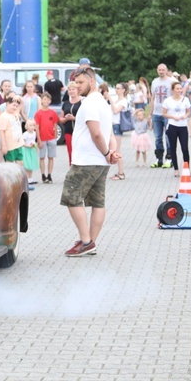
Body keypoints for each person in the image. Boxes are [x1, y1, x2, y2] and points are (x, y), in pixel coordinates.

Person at [60, 66, 120, 257]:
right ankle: (91, 243)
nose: (77, 86)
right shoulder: (103, 102)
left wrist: (107, 152)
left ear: (91, 81)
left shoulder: (90, 103)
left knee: (71, 196)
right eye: (75, 83)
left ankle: (86, 241)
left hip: (87, 161)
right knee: (97, 202)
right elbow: (108, 132)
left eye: (81, 83)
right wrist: (111, 152)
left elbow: (96, 133)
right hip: (99, 161)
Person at [163, 81, 191, 177]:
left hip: (183, 126)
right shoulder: (168, 100)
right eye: (177, 89)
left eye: (180, 88)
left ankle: (187, 169)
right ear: (173, 90)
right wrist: (172, 117)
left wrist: (185, 116)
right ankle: (176, 169)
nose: (179, 90)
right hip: (172, 125)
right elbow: (164, 113)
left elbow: (188, 111)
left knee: (185, 148)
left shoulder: (185, 99)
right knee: (173, 148)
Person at [150, 64, 174, 168]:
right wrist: (150, 113)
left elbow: (174, 97)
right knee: (157, 137)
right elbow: (152, 98)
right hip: (156, 113)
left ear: (166, 70)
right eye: (159, 70)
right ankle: (159, 158)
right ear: (157, 70)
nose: (161, 71)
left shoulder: (171, 82)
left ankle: (169, 158)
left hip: (167, 113)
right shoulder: (154, 82)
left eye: (163, 70)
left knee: (168, 136)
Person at [35, 91, 59, 183]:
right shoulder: (38, 113)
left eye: (47, 99)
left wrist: (55, 137)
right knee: (42, 157)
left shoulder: (52, 113)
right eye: (44, 99)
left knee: (51, 157)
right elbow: (37, 127)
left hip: (51, 138)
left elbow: (55, 125)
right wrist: (39, 139)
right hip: (42, 138)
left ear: (50, 101)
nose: (45, 101)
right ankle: (43, 175)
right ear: (41, 101)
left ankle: (49, 174)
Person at [0, 95, 25, 169]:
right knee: (10, 164)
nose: (15, 107)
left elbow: (22, 103)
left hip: (18, 144)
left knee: (20, 163)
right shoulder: (3, 116)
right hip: (10, 146)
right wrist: (4, 146)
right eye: (13, 105)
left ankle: (19, 179)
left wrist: (17, 97)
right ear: (7, 104)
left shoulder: (15, 113)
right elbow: (2, 132)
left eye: (16, 106)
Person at [109, 82, 129, 180]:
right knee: (112, 149)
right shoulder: (117, 100)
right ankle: (118, 172)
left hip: (117, 126)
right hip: (111, 126)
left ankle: (121, 173)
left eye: (118, 88)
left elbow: (116, 111)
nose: (116, 90)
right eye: (116, 88)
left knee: (117, 150)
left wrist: (110, 100)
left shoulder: (124, 101)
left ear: (123, 90)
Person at [60, 82, 81, 165]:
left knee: (79, 152)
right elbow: (60, 119)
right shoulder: (65, 103)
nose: (71, 91)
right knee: (70, 152)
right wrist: (66, 119)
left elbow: (85, 118)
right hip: (68, 131)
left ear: (77, 90)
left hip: (79, 132)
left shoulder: (82, 102)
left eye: (73, 89)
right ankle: (71, 168)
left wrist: (74, 118)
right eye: (70, 89)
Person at [21, 119, 39, 184]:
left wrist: (35, 147)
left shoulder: (34, 133)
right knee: (27, 165)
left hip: (32, 150)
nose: (32, 127)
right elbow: (22, 143)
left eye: (33, 126)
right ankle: (27, 178)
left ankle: (30, 178)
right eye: (30, 126)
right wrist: (27, 146)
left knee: (31, 164)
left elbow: (34, 141)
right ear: (27, 126)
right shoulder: (25, 134)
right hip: (26, 150)